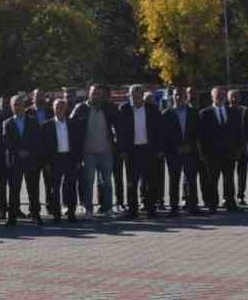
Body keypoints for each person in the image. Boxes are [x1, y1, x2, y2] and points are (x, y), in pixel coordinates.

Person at [72, 85, 118, 219]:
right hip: (88, 152)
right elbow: (72, 126)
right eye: (94, 93)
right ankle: (88, 209)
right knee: (88, 181)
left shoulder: (108, 108)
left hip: (106, 152)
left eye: (98, 93)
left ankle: (108, 209)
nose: (96, 96)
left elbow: (118, 125)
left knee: (107, 182)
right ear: (89, 94)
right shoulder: (81, 108)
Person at [116, 84, 160, 218]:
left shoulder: (152, 109)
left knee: (150, 182)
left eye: (137, 96)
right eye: (132, 96)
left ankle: (151, 209)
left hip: (148, 150)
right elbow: (120, 131)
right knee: (131, 182)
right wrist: (122, 150)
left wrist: (158, 150)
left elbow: (159, 131)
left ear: (142, 96)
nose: (134, 99)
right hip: (131, 151)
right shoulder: (124, 109)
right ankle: (133, 210)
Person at [198, 87, 241, 212]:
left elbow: (238, 132)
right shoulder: (205, 113)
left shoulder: (233, 112)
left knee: (229, 179)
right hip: (212, 154)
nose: (220, 97)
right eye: (217, 95)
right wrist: (203, 153)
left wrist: (238, 150)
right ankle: (213, 205)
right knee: (212, 180)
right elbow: (201, 136)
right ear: (212, 97)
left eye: (222, 95)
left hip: (230, 153)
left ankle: (230, 203)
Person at [39, 97, 81, 223]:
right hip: (54, 160)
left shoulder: (73, 123)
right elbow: (43, 146)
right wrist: (46, 163)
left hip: (70, 158)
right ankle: (56, 215)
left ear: (66, 108)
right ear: (53, 108)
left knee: (71, 187)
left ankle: (71, 213)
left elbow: (78, 143)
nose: (60, 109)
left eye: (62, 107)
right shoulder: (46, 125)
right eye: (57, 107)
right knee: (54, 189)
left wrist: (78, 160)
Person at [0, 94, 40, 225]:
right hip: (14, 161)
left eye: (20, 104)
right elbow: (6, 142)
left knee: (33, 189)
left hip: (30, 159)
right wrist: (18, 151)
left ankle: (35, 215)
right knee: (14, 190)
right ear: (11, 107)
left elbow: (36, 140)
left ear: (24, 106)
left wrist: (28, 151)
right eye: (15, 104)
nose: (18, 107)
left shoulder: (33, 121)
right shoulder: (7, 123)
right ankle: (12, 217)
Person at [162, 87, 201, 216]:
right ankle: (174, 208)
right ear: (172, 97)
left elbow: (198, 132)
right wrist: (175, 148)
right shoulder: (166, 114)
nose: (178, 97)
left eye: (181, 95)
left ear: (186, 97)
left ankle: (193, 207)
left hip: (190, 151)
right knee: (174, 180)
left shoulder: (194, 113)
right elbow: (165, 135)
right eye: (176, 95)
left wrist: (190, 146)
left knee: (191, 179)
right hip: (174, 153)